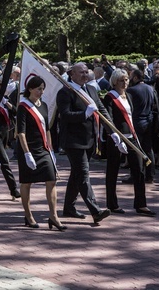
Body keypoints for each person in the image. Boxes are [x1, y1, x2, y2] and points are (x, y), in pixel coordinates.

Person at [58, 62, 114, 224]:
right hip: (73, 141)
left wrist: (113, 132)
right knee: (83, 174)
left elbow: (102, 110)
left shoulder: (90, 89)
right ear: (72, 74)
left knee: (76, 175)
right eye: (81, 72)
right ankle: (95, 211)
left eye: (86, 72)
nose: (84, 75)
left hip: (90, 139)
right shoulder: (65, 92)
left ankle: (69, 207)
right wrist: (84, 114)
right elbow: (66, 115)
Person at [103, 69, 156, 217]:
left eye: (126, 79)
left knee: (139, 170)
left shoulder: (129, 96)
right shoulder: (109, 98)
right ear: (114, 82)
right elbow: (108, 119)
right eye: (121, 80)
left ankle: (141, 204)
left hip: (132, 137)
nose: (125, 82)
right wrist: (115, 136)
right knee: (112, 171)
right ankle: (112, 204)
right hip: (117, 138)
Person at [17, 76, 65, 230]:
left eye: (43, 89)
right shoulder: (23, 107)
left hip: (43, 149)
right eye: (38, 88)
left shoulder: (43, 105)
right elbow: (21, 133)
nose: (41, 91)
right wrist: (27, 154)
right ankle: (28, 215)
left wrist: (50, 150)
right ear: (30, 89)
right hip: (28, 149)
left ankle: (53, 216)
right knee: (26, 183)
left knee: (51, 180)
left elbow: (47, 129)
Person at [127, 69, 157, 183]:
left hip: (137, 121)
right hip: (149, 121)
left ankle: (136, 175)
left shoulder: (131, 90)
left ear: (135, 77)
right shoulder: (150, 88)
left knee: (135, 149)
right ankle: (150, 174)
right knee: (148, 149)